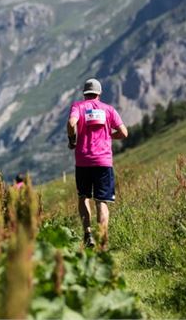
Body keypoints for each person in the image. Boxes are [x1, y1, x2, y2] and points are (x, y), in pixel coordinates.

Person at [67, 78, 128, 250]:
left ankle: (88, 233)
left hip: (83, 161)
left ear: (85, 93)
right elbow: (124, 132)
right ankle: (102, 239)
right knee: (102, 201)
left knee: (83, 197)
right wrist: (109, 135)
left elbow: (72, 123)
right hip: (103, 161)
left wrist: (73, 140)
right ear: (99, 93)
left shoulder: (78, 107)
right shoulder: (109, 110)